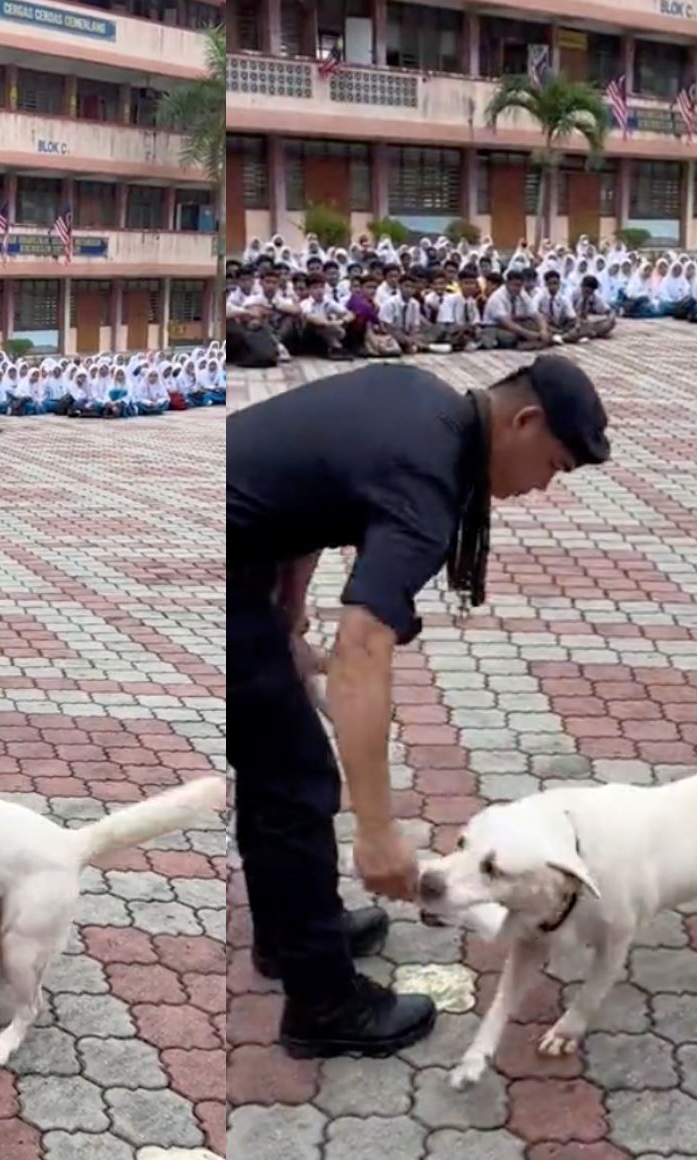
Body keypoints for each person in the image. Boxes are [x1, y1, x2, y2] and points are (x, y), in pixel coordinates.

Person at [226, 355, 611, 1058]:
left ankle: (292, 936)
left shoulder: (419, 399)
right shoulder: (430, 477)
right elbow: (362, 650)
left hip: (238, 551)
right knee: (296, 780)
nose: (542, 487)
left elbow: (318, 506)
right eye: (552, 465)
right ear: (523, 423)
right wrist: (378, 831)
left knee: (275, 762)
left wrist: (286, 616)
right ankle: (323, 1003)